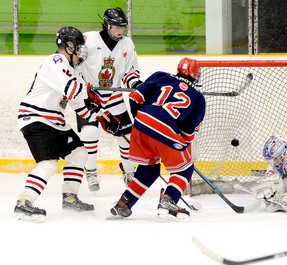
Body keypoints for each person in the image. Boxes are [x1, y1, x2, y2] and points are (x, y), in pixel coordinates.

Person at [97, 57, 205, 219]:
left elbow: (135, 98)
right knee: (185, 168)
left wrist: (141, 121)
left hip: (142, 123)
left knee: (149, 169)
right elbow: (188, 135)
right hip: (167, 129)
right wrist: (174, 146)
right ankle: (169, 199)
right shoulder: (198, 98)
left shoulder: (160, 76)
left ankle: (124, 203)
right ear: (196, 76)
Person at [15, 26, 102, 221]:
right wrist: (89, 93)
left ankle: (70, 198)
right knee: (48, 164)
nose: (81, 51)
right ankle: (24, 202)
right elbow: (73, 90)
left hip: (55, 120)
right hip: (36, 117)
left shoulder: (73, 68)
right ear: (69, 46)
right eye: (78, 47)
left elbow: (78, 104)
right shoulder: (56, 61)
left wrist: (99, 116)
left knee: (79, 154)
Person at [77, 7, 142, 192]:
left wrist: (136, 84)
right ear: (106, 25)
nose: (120, 31)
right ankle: (90, 172)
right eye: (116, 27)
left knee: (127, 135)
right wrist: (81, 89)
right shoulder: (88, 40)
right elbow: (74, 65)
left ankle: (129, 172)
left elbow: (131, 71)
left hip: (113, 96)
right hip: (89, 96)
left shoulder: (127, 44)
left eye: (123, 27)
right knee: (90, 134)